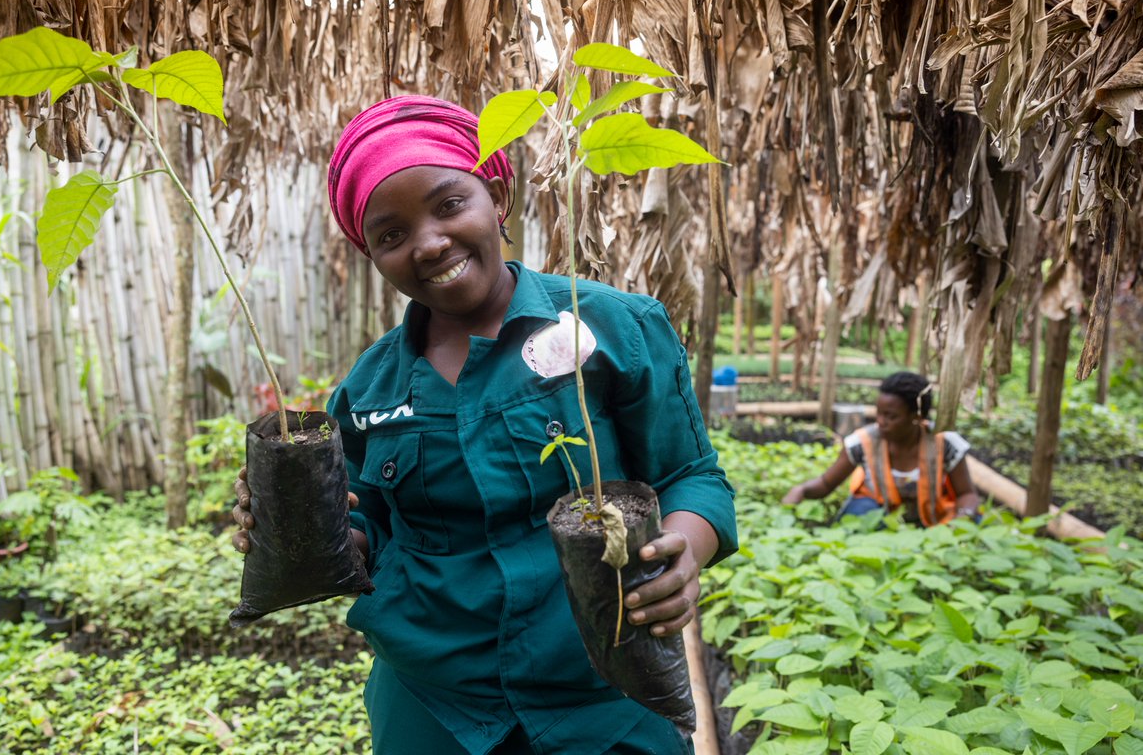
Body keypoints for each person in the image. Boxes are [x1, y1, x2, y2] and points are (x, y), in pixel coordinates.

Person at [230, 95, 738, 755]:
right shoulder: (371, 387)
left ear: (497, 199)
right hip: (433, 704)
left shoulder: (615, 328)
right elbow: (367, 523)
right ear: (372, 256)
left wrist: (683, 548)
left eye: (448, 205)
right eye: (390, 235)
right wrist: (297, 529)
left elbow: (691, 477)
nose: (429, 241)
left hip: (604, 693)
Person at [781, 371, 981, 526]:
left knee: (974, 525)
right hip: (879, 514)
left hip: (931, 518)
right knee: (859, 516)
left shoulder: (943, 443)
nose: (881, 422)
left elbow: (967, 494)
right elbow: (825, 484)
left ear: (917, 416)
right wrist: (801, 490)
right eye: (879, 414)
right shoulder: (863, 442)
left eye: (891, 416)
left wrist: (963, 518)